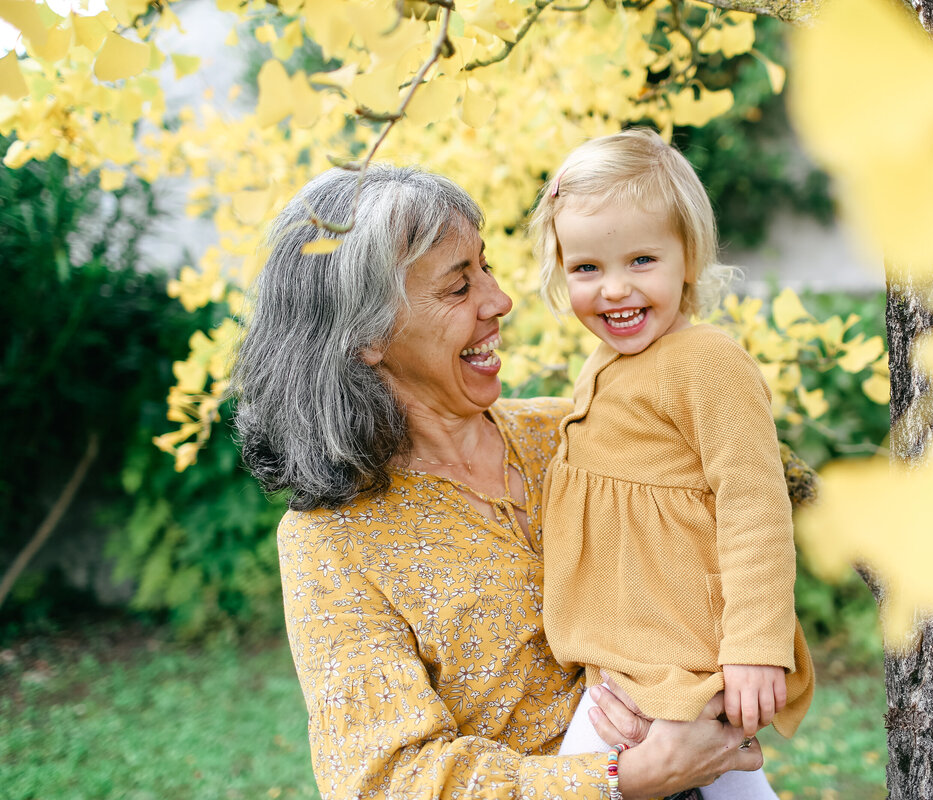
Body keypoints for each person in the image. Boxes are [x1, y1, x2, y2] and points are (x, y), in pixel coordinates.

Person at [231, 165, 766, 800]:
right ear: (369, 335)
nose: (499, 300)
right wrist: (624, 780)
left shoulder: (566, 430)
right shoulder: (331, 542)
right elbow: (385, 782)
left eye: (485, 267)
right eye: (459, 288)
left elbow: (738, 508)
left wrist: (702, 687)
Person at [530, 129, 815, 800]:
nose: (614, 289)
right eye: (587, 269)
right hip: (627, 666)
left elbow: (753, 505)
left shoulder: (707, 362)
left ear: (688, 256)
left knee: (588, 785)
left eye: (641, 260)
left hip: (682, 659)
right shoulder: (608, 362)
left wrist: (754, 646)